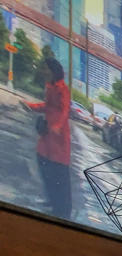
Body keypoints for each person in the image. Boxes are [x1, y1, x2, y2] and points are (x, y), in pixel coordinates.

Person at [23, 57, 72, 218]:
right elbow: (47, 106)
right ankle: (52, 200)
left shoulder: (62, 89)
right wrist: (31, 106)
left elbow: (65, 110)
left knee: (58, 172)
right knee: (44, 165)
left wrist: (58, 125)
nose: (43, 71)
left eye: (46, 69)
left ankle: (61, 208)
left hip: (59, 139)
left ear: (53, 71)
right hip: (47, 136)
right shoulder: (50, 87)